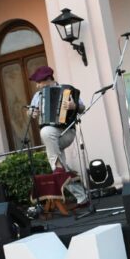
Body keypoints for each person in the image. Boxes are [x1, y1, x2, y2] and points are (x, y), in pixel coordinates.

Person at [28, 66, 87, 205]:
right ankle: (81, 195)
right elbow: (30, 111)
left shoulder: (67, 90)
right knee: (57, 166)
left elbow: (82, 107)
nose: (37, 86)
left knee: (45, 133)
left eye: (39, 82)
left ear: (48, 79)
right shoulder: (37, 96)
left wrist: (74, 106)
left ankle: (58, 168)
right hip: (51, 134)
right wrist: (32, 113)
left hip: (66, 132)